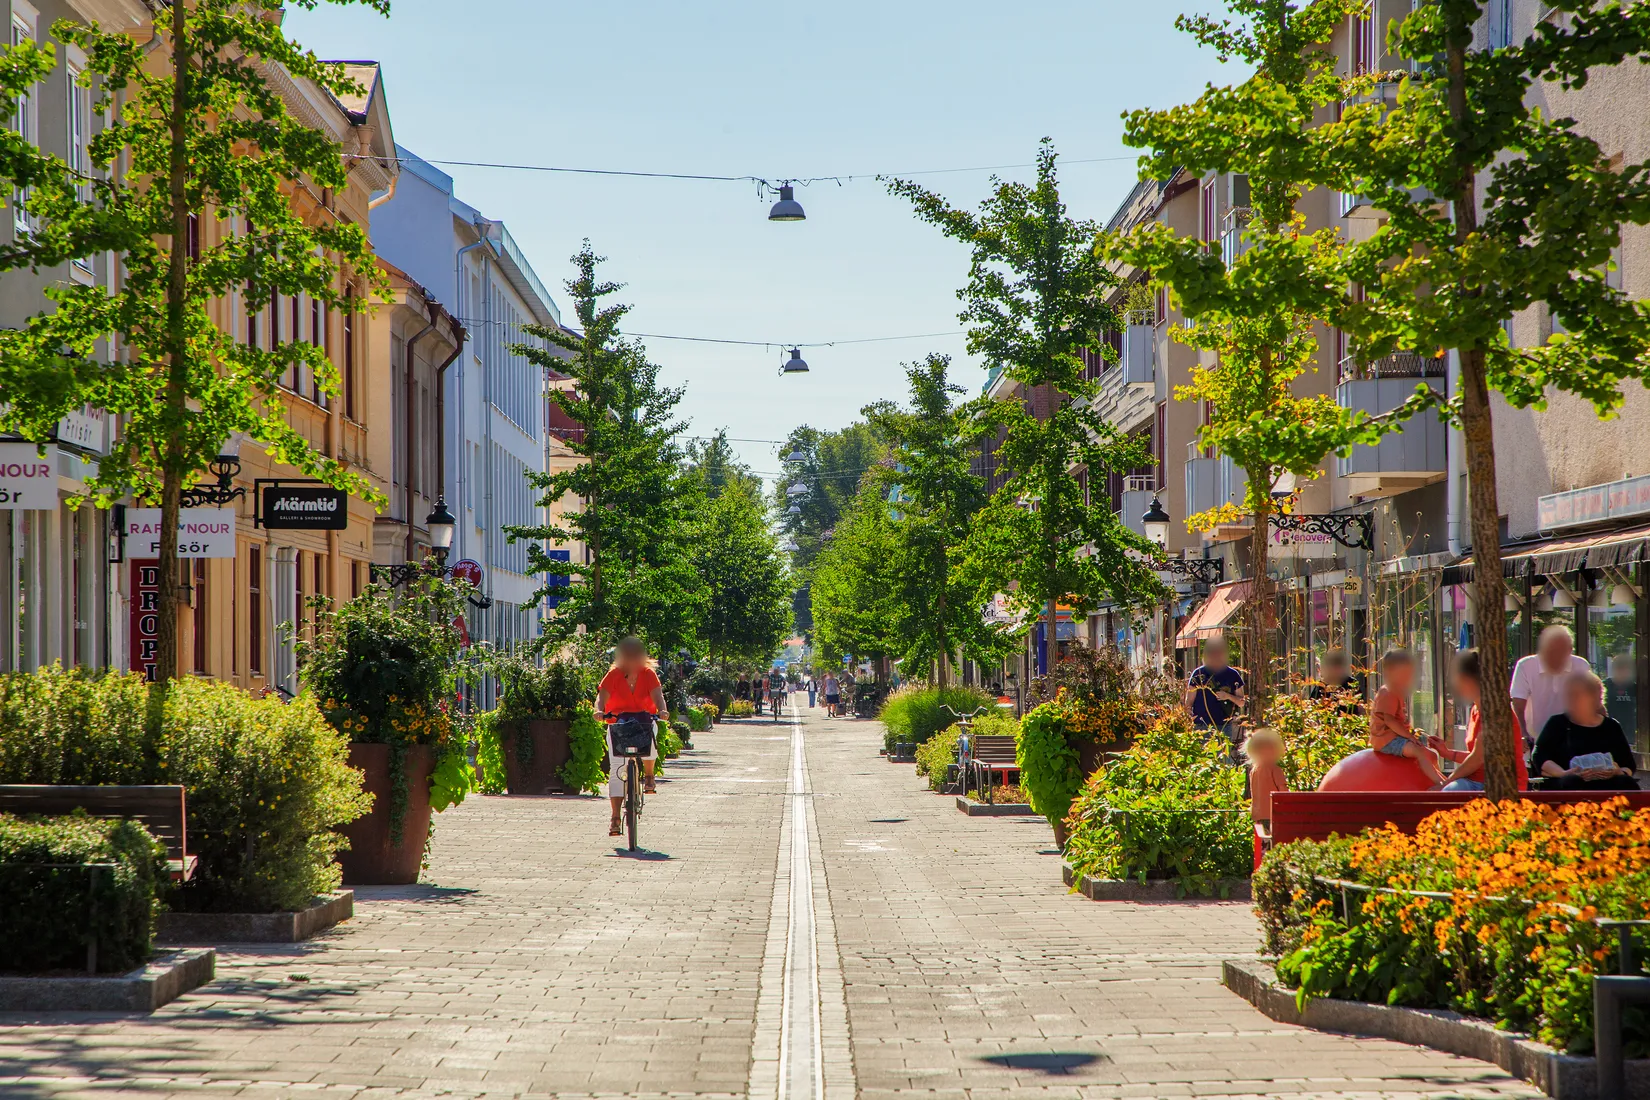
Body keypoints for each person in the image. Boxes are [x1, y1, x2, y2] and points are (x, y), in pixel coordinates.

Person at [595, 636, 666, 837]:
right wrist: (598, 711)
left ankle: (650, 775)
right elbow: (601, 697)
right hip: (618, 723)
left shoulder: (649, 674)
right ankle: (615, 818)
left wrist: (662, 710)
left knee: (651, 734)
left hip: (643, 720)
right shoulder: (613, 675)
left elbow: (658, 696)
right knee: (617, 768)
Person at [1532, 670, 1641, 790]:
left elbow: (1628, 764)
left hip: (1606, 786)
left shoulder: (1611, 726)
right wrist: (1565, 773)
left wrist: (1618, 771)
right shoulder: (1557, 723)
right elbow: (1539, 756)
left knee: (1626, 783)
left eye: (1579, 695)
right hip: (1570, 786)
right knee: (1571, 781)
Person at [1439, 648, 1528, 792]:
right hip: (1480, 782)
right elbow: (1479, 758)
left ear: (1467, 679)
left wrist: (1444, 784)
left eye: (1458, 679)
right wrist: (1446, 753)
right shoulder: (1476, 709)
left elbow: (1477, 759)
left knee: (1450, 792)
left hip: (1501, 786)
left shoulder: (1495, 712)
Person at [1369, 648, 1445, 787]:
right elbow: (1389, 720)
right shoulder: (1387, 692)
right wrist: (1409, 737)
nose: (1408, 678)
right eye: (1403, 674)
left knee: (1431, 755)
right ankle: (1438, 783)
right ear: (1390, 672)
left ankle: (1443, 781)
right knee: (1419, 752)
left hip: (1397, 738)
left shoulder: (1397, 691)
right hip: (1386, 740)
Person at [1511, 626, 1590, 751]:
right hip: (1536, 741)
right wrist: (1523, 734)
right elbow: (1518, 705)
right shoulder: (1526, 665)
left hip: (1573, 739)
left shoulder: (1581, 665)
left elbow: (1591, 701)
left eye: (1561, 651)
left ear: (1570, 650)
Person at [1183, 636, 1246, 746]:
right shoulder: (1198, 674)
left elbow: (1241, 702)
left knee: (1224, 760)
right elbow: (1189, 701)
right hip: (1201, 726)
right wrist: (1188, 719)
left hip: (1224, 726)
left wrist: (1227, 696)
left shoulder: (1232, 675)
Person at [1244, 727, 1289, 838]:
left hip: (1258, 815)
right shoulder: (1275, 769)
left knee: (1263, 845)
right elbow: (1284, 793)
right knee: (1274, 843)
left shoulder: (1254, 770)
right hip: (1274, 814)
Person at [1308, 648, 1364, 713]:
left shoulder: (1352, 683)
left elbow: (1361, 707)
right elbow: (1313, 708)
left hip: (1349, 721)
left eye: (1339, 666)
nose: (1336, 671)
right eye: (1334, 666)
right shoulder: (1321, 685)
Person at [1604, 653, 1638, 735]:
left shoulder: (1635, 687)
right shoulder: (1604, 686)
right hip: (1608, 730)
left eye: (1628, 669)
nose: (1625, 672)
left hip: (1630, 732)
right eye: (1621, 668)